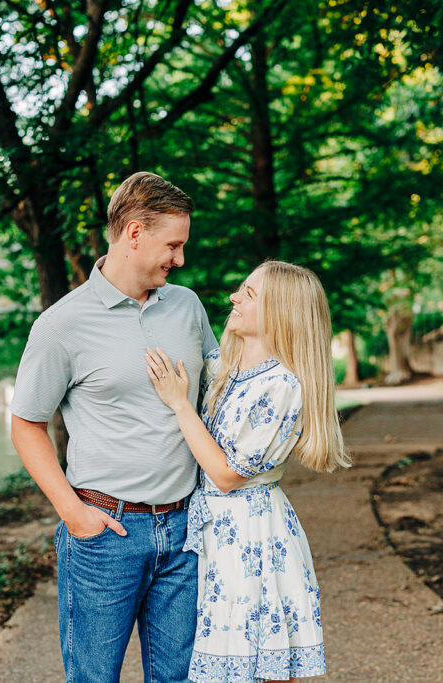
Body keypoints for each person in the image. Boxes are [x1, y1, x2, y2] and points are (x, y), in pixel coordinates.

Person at [9, 171, 218, 683]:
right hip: (107, 534)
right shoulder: (62, 324)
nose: (180, 258)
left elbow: (223, 389)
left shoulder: (187, 305)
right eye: (173, 245)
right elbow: (26, 423)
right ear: (133, 233)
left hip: (187, 530)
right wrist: (73, 513)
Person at [144, 260, 349, 683]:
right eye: (241, 288)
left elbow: (225, 475)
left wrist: (180, 404)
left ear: (281, 312)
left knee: (259, 666)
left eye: (249, 294)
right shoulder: (226, 368)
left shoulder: (282, 384)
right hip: (218, 536)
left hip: (251, 538)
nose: (234, 297)